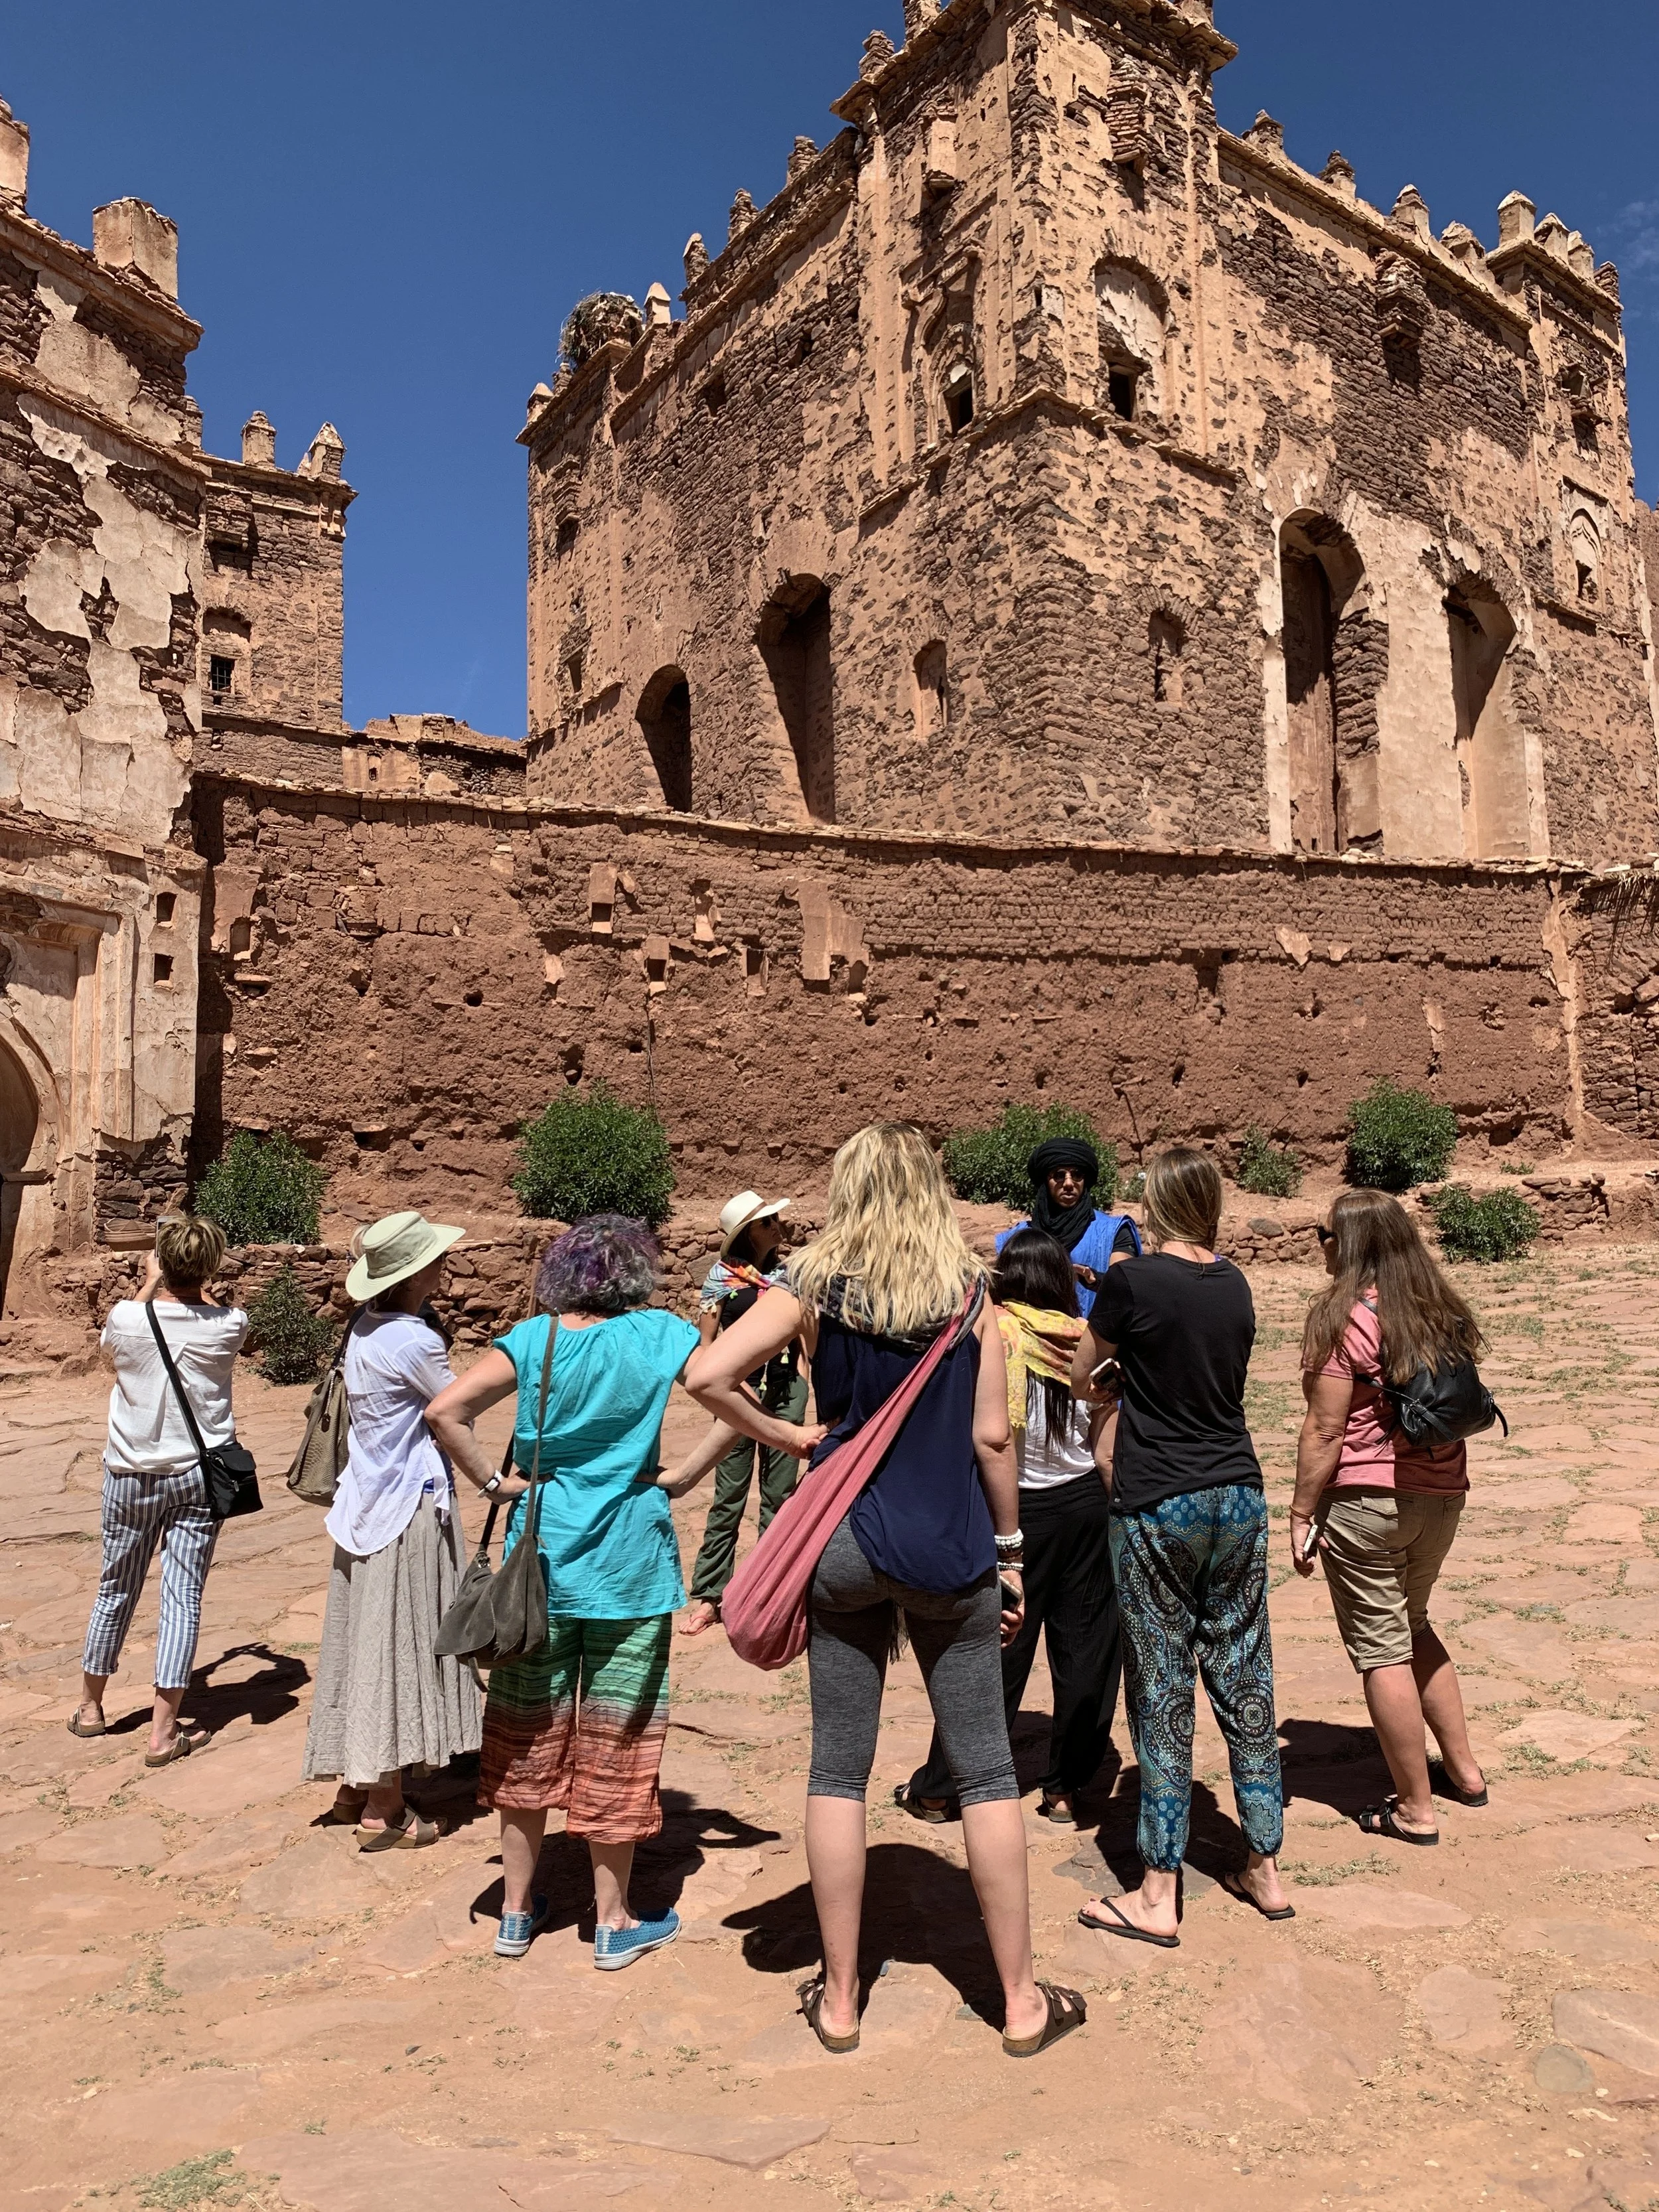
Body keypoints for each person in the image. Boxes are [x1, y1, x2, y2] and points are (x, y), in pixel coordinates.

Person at [687, 1122, 1086, 2060]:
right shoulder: (968, 1296)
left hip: (846, 1549)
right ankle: (1022, 2002)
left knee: (838, 1768)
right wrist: (1012, 1549)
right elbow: (994, 1441)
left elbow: (706, 1374)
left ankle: (839, 1999)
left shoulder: (814, 1289)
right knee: (986, 1772)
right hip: (949, 1548)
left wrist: (793, 1441)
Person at [425, 1215, 800, 1968]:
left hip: (542, 1565)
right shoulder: (661, 1336)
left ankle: (516, 1912)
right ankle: (613, 1921)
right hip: (630, 1561)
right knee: (619, 1738)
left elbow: (446, 1412)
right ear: (636, 1273)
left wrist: (498, 1484)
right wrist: (690, 1471)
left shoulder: (535, 1340)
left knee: (526, 1731)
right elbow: (732, 1393)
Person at [1070, 1147, 1289, 1945]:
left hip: (1157, 1497)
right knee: (1243, 1671)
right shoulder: (1234, 1282)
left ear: (1159, 1200)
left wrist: (1111, 1379)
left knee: (1160, 1684)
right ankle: (1264, 1863)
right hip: (1236, 1490)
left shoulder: (1131, 1281)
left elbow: (1080, 1373)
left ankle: (1158, 1889)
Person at [898, 1228, 1119, 1829]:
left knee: (993, 1651)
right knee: (1088, 1652)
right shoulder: (1088, 1342)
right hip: (1084, 1508)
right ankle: (1066, 1789)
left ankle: (946, 1788)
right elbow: (1107, 1441)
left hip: (1012, 1511)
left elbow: (983, 1432)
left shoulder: (993, 1337)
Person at [1289, 1188, 1488, 1844]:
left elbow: (1324, 1429)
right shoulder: (1438, 1310)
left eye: (1324, 1233)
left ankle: (1414, 1808)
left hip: (1367, 1502)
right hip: (1441, 1495)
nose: (1318, 1242)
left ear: (1344, 1243)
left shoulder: (1345, 1317)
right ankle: (1464, 1773)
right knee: (1415, 1624)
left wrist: (1299, 1511)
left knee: (1380, 1650)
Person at [301, 1209, 483, 1847]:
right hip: (406, 1506)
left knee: (362, 1640)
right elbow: (456, 1408)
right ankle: (386, 1802)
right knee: (395, 1645)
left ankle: (356, 1782)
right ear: (414, 1275)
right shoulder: (415, 1341)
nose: (444, 1264)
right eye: (434, 1258)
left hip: (365, 1501)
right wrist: (491, 1477)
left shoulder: (364, 1329)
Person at [72, 1215, 247, 1766]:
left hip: (129, 1471)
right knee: (182, 1596)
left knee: (115, 1589)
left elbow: (112, 1349)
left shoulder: (126, 1317)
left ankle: (92, 1707)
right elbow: (213, 1311)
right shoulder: (229, 1323)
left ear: (161, 1262)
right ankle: (163, 1732)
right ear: (210, 1267)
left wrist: (148, 1281)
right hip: (197, 1473)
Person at [679, 1191, 808, 1637]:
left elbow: (804, 1334)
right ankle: (712, 1594)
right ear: (746, 1233)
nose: (777, 1226)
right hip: (739, 1395)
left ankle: (773, 1593)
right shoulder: (721, 1278)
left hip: (787, 1390)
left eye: (775, 1219)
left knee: (781, 1493)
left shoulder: (789, 1275)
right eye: (767, 1221)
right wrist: (725, 1388)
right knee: (730, 1491)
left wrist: (804, 1376)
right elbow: (708, 1344)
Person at [997, 1137, 1141, 1303]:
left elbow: (1126, 1287)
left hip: (1094, 1329)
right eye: (1059, 1175)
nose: (1069, 1183)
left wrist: (1096, 1279)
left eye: (1077, 1175)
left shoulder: (1113, 1231)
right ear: (1046, 1181)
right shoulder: (1017, 1238)